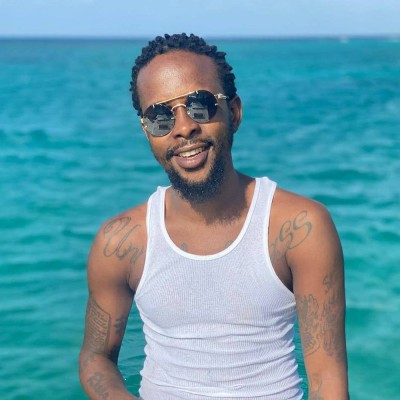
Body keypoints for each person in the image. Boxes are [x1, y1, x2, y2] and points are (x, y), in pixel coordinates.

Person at [79, 33, 349, 400]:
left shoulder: (300, 227)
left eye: (200, 105)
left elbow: (327, 382)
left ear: (234, 113)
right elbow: (96, 357)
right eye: (159, 117)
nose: (183, 127)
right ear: (147, 131)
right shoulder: (121, 242)